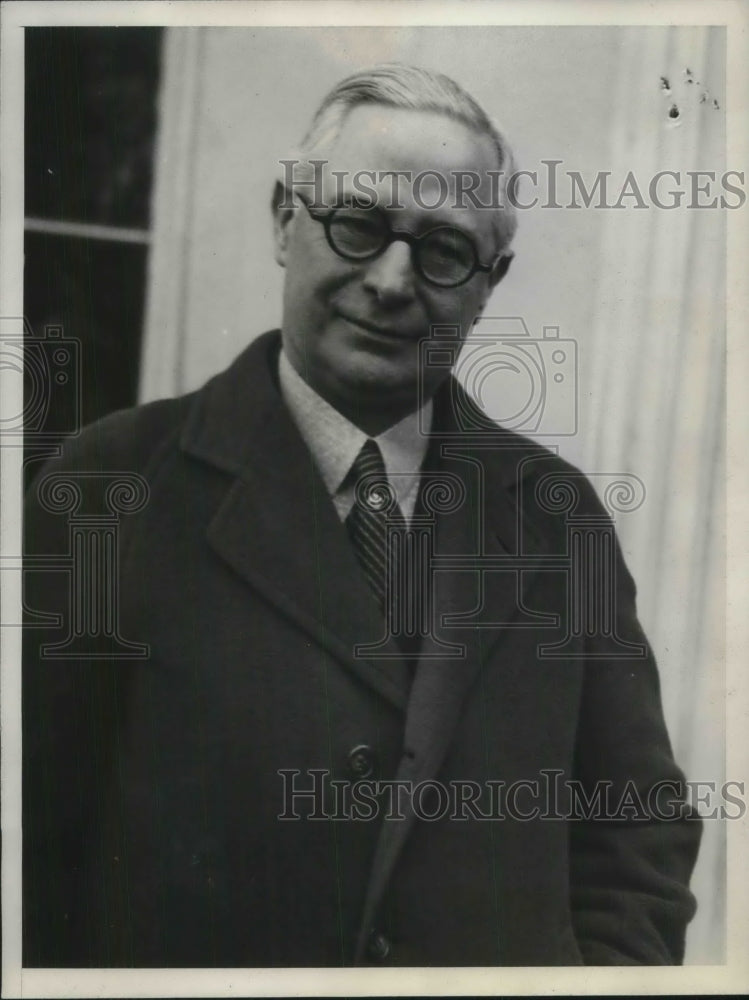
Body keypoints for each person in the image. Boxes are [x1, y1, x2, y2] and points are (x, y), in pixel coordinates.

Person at [23, 63, 701, 968]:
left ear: (487, 282)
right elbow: (26, 853)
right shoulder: (109, 488)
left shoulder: (558, 517)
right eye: (357, 224)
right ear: (283, 220)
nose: (390, 280)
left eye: (443, 250)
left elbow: (637, 844)